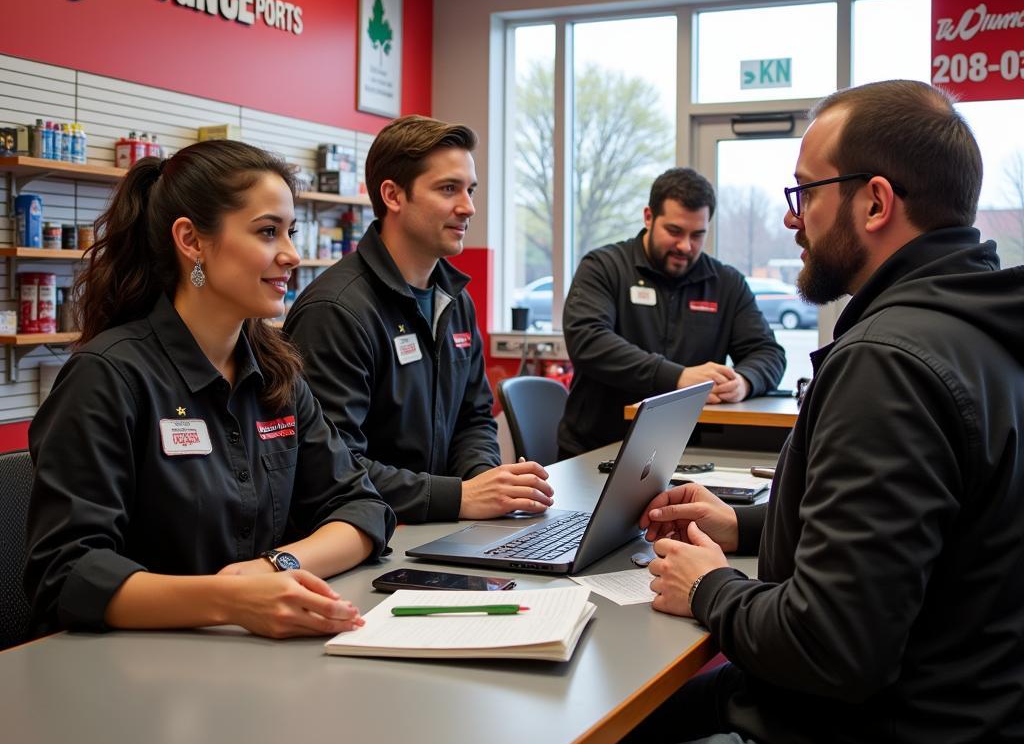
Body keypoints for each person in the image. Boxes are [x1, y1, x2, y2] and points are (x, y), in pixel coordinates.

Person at [527, 80, 1024, 744]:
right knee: (611, 737)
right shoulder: (976, 329)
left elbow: (832, 646)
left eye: (805, 192)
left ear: (876, 202)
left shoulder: (890, 361)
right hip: (955, 738)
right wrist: (748, 524)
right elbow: (922, 527)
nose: (793, 218)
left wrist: (709, 589)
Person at [25, 141, 396, 640]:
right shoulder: (109, 376)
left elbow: (363, 508)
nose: (291, 254)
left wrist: (273, 567)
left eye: (291, 231)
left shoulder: (275, 370)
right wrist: (229, 600)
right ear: (191, 241)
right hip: (130, 672)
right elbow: (66, 575)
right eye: (268, 232)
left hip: (250, 654)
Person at [284, 115, 553, 523]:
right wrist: (457, 497)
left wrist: (485, 483)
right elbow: (333, 467)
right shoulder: (336, 311)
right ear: (393, 195)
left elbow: (473, 417)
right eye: (449, 189)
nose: (468, 207)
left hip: (440, 525)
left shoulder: (454, 299)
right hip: (363, 536)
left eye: (470, 189)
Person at [558, 167, 786, 457]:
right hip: (598, 449)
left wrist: (744, 381)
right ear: (648, 217)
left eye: (697, 235)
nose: (685, 246)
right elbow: (588, 340)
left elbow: (768, 352)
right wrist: (677, 377)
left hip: (689, 455)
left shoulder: (726, 283)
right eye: (674, 231)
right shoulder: (604, 267)